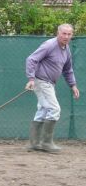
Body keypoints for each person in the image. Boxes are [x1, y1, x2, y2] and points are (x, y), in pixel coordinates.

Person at [25, 23, 80, 153]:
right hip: (41, 82)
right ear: (58, 33)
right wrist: (31, 79)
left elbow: (68, 69)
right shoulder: (49, 45)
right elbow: (31, 59)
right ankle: (46, 143)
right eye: (64, 33)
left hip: (49, 83)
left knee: (43, 110)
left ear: (72, 35)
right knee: (54, 109)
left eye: (69, 34)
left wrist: (73, 85)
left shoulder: (66, 49)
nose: (66, 36)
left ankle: (35, 143)